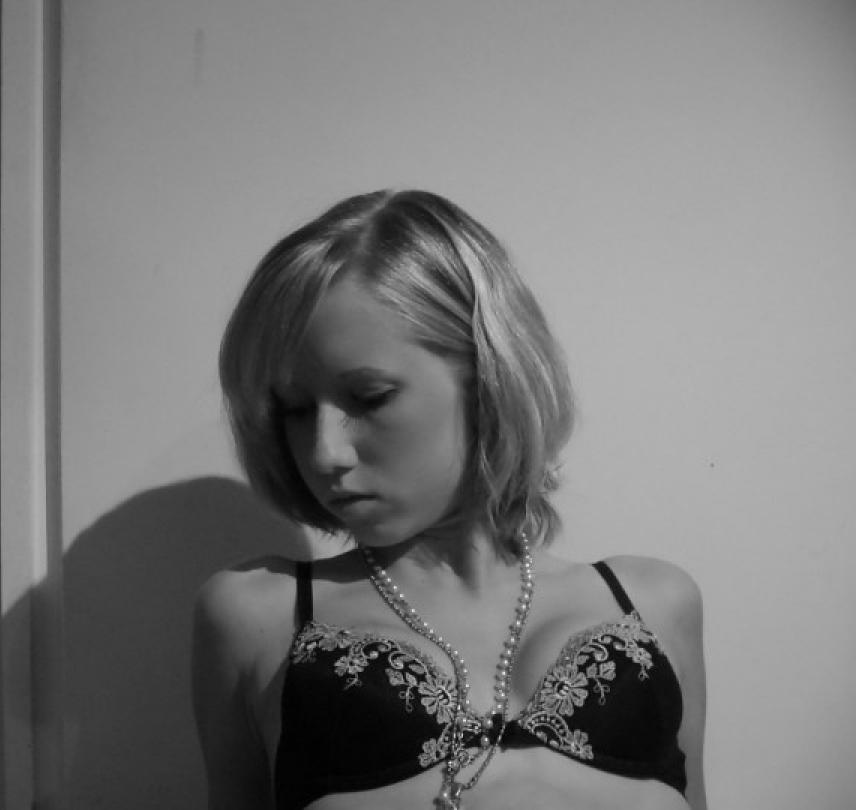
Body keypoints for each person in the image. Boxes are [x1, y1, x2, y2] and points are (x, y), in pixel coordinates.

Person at [193, 190, 707, 810]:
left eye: (369, 397)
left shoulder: (655, 601)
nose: (324, 452)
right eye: (296, 410)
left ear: (488, 373)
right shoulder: (259, 616)